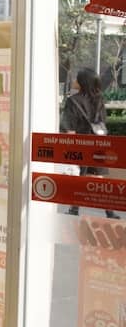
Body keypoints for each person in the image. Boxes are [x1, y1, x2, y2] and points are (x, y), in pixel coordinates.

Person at [60, 68, 118, 218]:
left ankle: (74, 209)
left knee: (80, 177)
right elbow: (103, 121)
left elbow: (68, 126)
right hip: (98, 144)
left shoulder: (73, 101)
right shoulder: (99, 99)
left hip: (80, 144)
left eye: (76, 79)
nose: (74, 81)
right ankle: (109, 211)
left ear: (82, 82)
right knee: (98, 179)